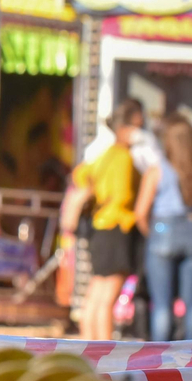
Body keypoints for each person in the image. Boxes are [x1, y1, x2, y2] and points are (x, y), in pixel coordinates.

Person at [135, 115, 192, 342]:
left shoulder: (157, 170)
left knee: (162, 304)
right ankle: (191, 356)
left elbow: (141, 212)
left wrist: (151, 235)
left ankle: (159, 359)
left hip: (163, 233)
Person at [71, 101, 145, 341]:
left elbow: (80, 173)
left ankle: (88, 348)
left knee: (95, 296)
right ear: (126, 128)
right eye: (138, 126)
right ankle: (104, 355)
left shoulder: (105, 154)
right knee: (107, 300)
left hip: (100, 229)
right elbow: (123, 196)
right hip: (116, 229)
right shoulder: (123, 156)